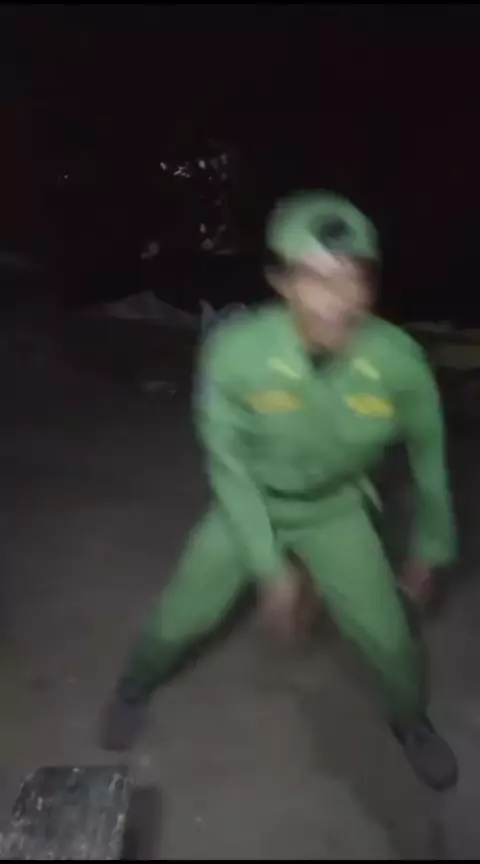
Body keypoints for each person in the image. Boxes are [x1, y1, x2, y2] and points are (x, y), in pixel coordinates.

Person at [100, 190, 458, 791]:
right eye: (316, 279)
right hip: (250, 505)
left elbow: (429, 454)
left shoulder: (399, 362)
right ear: (281, 281)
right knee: (181, 613)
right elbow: (228, 467)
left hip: (336, 508)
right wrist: (271, 569)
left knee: (390, 638)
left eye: (354, 278)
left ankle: (411, 722)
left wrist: (433, 543)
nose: (338, 299)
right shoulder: (236, 353)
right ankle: (134, 686)